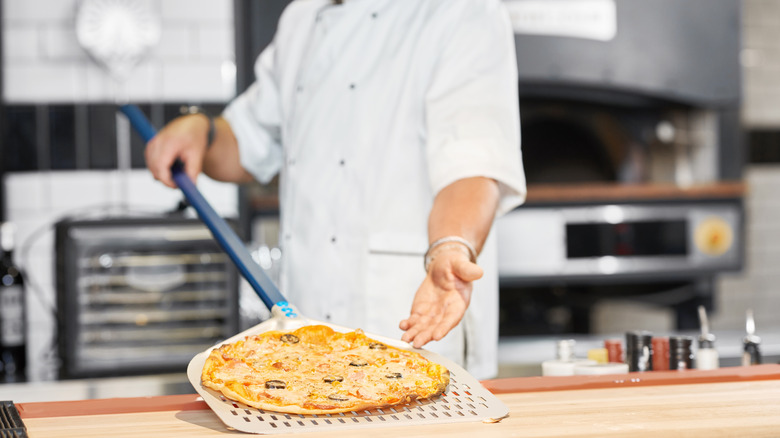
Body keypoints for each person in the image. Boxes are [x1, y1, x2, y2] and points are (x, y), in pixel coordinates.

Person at [145, 0, 525, 379]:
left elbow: (475, 166)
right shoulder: (302, 17)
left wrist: (451, 246)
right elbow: (247, 145)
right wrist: (201, 129)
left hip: (409, 323)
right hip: (306, 330)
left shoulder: (463, 12)